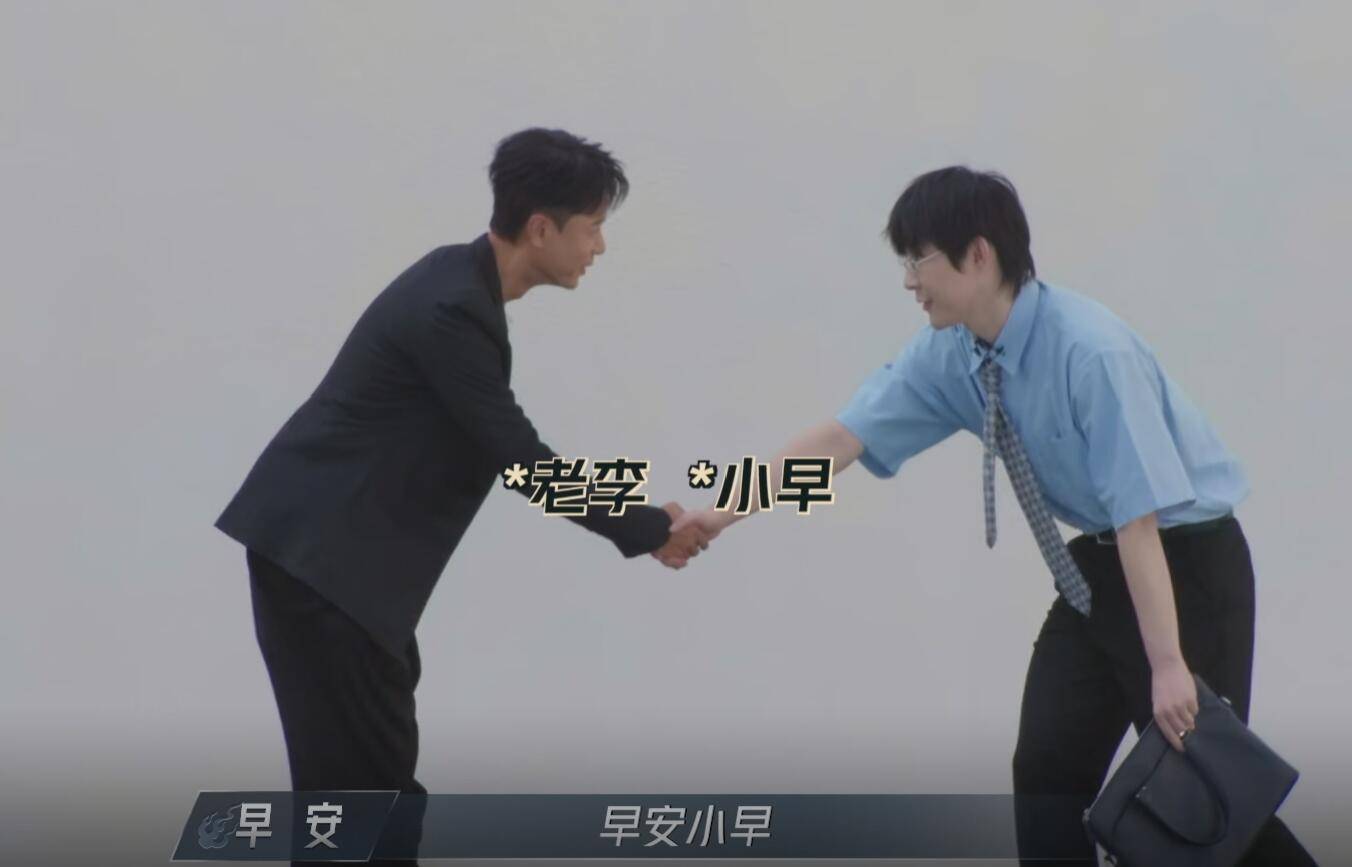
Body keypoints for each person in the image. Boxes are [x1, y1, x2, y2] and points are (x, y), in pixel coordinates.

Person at [673, 166, 1315, 864]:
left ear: (978, 254)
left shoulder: (1090, 351)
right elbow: (840, 440)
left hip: (1184, 562)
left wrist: (1168, 664)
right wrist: (720, 513)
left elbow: (1139, 518)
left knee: (1205, 792)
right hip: (1096, 566)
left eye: (918, 259)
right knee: (1046, 770)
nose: (909, 282)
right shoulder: (951, 354)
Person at [215, 128, 709, 866]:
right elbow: (520, 457)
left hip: (339, 576)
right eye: (593, 227)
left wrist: (641, 516)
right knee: (364, 804)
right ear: (541, 229)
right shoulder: (450, 310)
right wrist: (646, 525)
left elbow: (505, 448)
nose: (600, 247)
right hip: (325, 573)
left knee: (362, 798)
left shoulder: (457, 285)